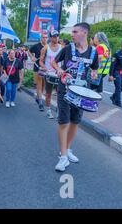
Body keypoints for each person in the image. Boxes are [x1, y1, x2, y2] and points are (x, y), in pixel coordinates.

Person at [52, 23, 99, 172]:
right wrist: (59, 69)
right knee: (63, 121)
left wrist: (94, 73)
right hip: (64, 89)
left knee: (75, 121)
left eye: (75, 31)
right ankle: (63, 156)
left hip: (82, 92)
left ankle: (67, 149)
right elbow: (54, 62)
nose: (71, 34)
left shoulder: (93, 52)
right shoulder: (67, 49)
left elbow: (95, 69)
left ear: (84, 33)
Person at [39, 30, 62, 119]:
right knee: (48, 93)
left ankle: (58, 112)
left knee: (60, 94)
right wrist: (44, 67)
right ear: (51, 37)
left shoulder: (62, 47)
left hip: (58, 74)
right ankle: (48, 110)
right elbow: (41, 61)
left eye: (57, 36)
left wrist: (62, 69)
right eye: (54, 36)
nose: (56, 38)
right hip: (49, 74)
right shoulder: (45, 48)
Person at [30, 34, 48, 111]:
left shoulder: (49, 47)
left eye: (46, 37)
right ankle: (40, 102)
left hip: (46, 68)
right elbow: (29, 51)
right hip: (37, 67)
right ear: (41, 38)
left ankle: (38, 98)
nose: (45, 39)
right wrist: (32, 57)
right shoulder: (37, 46)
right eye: (43, 37)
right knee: (39, 85)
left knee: (43, 85)